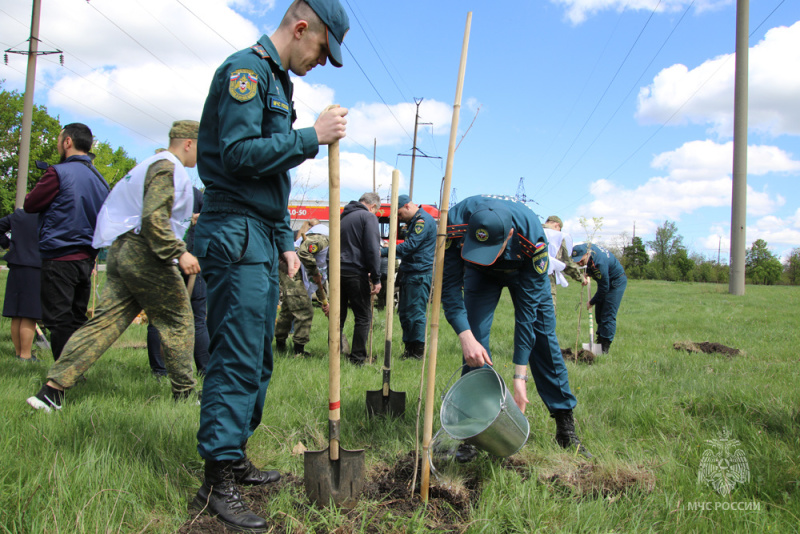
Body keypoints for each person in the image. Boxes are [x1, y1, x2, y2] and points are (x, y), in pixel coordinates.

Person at [190, 1, 349, 530]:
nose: (321, 62)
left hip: (259, 233)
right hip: (233, 230)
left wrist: (284, 237)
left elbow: (270, 180)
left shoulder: (278, 84)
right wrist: (311, 138)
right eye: (323, 50)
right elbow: (237, 155)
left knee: (258, 357)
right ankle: (216, 479)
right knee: (236, 357)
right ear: (302, 28)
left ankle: (233, 456)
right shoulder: (246, 72)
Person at [25, 120, 202, 411]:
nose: (202, 155)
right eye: (202, 147)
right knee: (179, 322)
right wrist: (179, 251)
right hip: (148, 253)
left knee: (103, 324)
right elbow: (154, 218)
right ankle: (185, 396)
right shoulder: (167, 168)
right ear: (188, 143)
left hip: (123, 249)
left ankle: (51, 391)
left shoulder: (152, 162)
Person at [442, 195, 590, 457]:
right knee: (475, 339)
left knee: (543, 339)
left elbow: (527, 316)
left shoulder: (534, 239)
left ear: (509, 234)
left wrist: (520, 377)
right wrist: (465, 336)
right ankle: (475, 427)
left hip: (524, 270)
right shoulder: (453, 223)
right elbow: (450, 289)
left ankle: (565, 425)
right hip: (479, 273)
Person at [24, 122, 110, 361]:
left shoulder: (58, 172)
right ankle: (78, 368)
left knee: (58, 319)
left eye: (59, 139)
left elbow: (31, 203)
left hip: (60, 254)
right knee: (77, 317)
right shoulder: (101, 179)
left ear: (68, 142)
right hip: (87, 258)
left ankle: (65, 376)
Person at [147, 186, 210, 376]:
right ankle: (160, 370)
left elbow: (208, 219)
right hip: (166, 261)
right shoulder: (158, 191)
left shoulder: (193, 194)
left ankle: (204, 369)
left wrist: (197, 218)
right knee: (160, 319)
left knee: (196, 318)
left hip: (188, 260)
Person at [381, 194, 435, 360]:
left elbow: (410, 246)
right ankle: (408, 349)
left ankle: (417, 352)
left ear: (407, 206)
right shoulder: (413, 222)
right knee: (404, 313)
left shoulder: (422, 221)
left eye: (399, 214)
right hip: (409, 272)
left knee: (416, 313)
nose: (399, 218)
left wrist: (382, 251)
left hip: (418, 274)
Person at [275, 219, 330, 357]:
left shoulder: (327, 245)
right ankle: (298, 351)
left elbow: (320, 274)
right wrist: (314, 272)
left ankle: (280, 345)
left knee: (288, 309)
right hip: (291, 270)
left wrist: (324, 300)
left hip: (296, 271)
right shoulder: (323, 239)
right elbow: (305, 253)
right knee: (305, 310)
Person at [340, 192, 382, 365]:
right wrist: (377, 278)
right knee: (364, 316)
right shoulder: (368, 217)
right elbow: (372, 248)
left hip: (338, 271)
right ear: (372, 206)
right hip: (355, 272)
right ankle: (358, 358)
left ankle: (336, 354)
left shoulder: (343, 217)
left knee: (338, 315)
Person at [0, 209, 42, 361]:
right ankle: (25, 355)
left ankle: (19, 353)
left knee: (16, 312)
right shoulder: (48, 215)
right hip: (36, 266)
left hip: (16, 264)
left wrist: (8, 245)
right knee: (29, 314)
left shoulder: (18, 215)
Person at [571, 242, 627, 354]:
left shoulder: (600, 262)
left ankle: (604, 348)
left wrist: (592, 302)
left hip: (615, 282)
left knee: (607, 315)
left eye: (582, 261)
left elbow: (604, 288)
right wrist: (588, 273)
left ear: (587, 254)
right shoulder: (588, 248)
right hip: (605, 281)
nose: (580, 263)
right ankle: (599, 341)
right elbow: (593, 268)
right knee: (599, 314)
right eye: (578, 262)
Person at [542, 215, 582, 312]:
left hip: (525, 280)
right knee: (548, 312)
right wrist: (580, 277)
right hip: (546, 280)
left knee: (527, 314)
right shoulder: (558, 236)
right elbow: (566, 263)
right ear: (557, 225)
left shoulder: (532, 231)